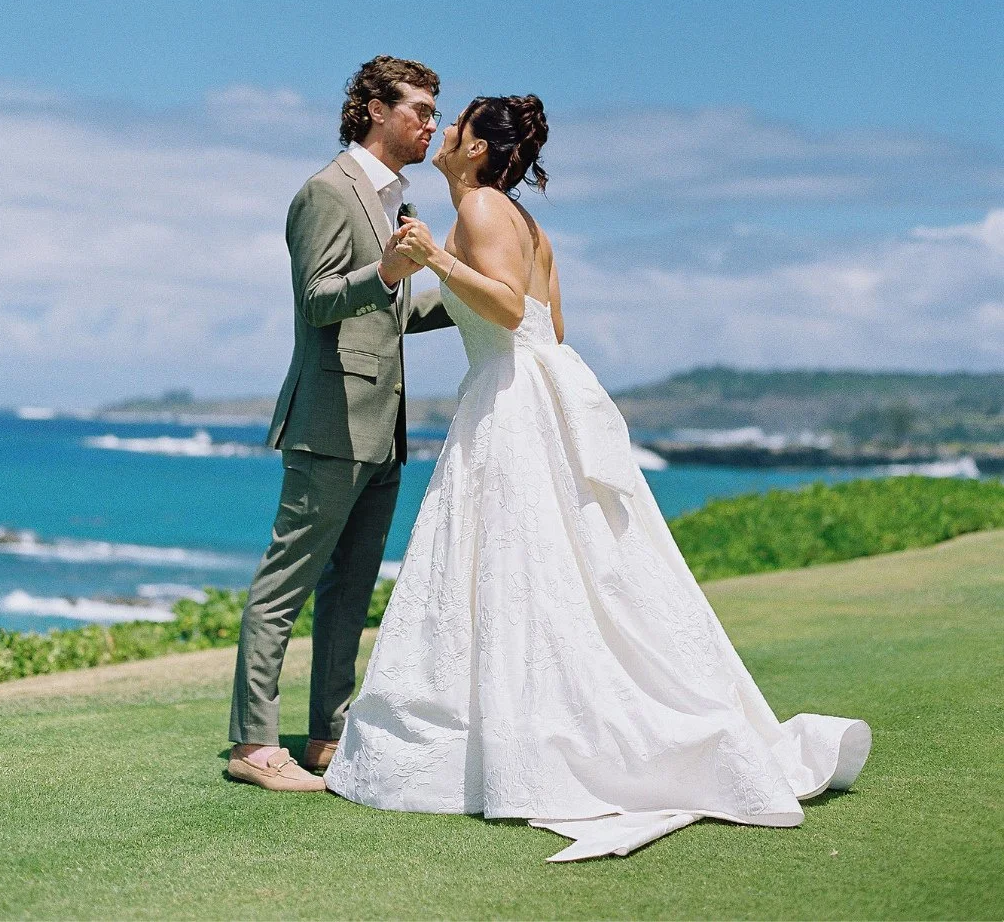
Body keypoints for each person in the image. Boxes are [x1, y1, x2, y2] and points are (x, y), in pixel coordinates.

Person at [324, 93, 871, 861]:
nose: (443, 131)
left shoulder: (480, 208)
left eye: (457, 125)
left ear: (477, 150)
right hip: (534, 390)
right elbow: (553, 324)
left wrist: (435, 260)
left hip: (512, 400)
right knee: (558, 568)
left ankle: (543, 741)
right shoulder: (522, 221)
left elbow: (508, 311)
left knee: (520, 565)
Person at [227, 56, 455, 792]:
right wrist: (387, 271)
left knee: (351, 590)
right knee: (284, 586)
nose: (433, 124)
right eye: (420, 109)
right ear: (374, 109)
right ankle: (253, 745)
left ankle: (329, 733)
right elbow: (319, 299)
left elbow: (394, 312)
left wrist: (472, 292)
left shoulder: (395, 204)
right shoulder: (327, 191)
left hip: (384, 430)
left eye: (435, 112)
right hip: (329, 425)